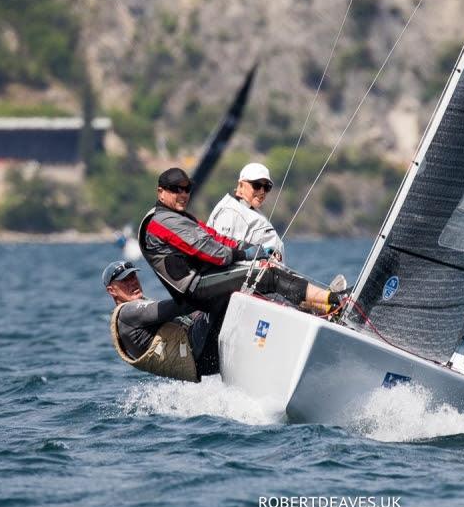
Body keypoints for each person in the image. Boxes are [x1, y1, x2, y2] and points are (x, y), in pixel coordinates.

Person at [139, 167, 345, 329]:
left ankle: (323, 309)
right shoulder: (161, 222)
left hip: (202, 280)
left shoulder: (180, 218)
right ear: (161, 192)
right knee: (267, 276)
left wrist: (252, 248)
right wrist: (244, 254)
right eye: (176, 189)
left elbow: (216, 237)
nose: (183, 194)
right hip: (194, 287)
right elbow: (208, 250)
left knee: (264, 279)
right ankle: (336, 301)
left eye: (187, 189)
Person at [102, 259, 217, 381]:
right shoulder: (128, 312)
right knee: (219, 299)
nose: (132, 282)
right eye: (125, 280)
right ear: (111, 290)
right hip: (199, 352)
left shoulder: (134, 311)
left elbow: (186, 314)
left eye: (133, 276)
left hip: (200, 361)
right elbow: (180, 307)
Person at [207, 162, 284, 261]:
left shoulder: (248, 209)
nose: (262, 191)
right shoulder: (231, 212)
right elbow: (222, 254)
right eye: (257, 185)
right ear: (241, 185)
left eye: (267, 187)